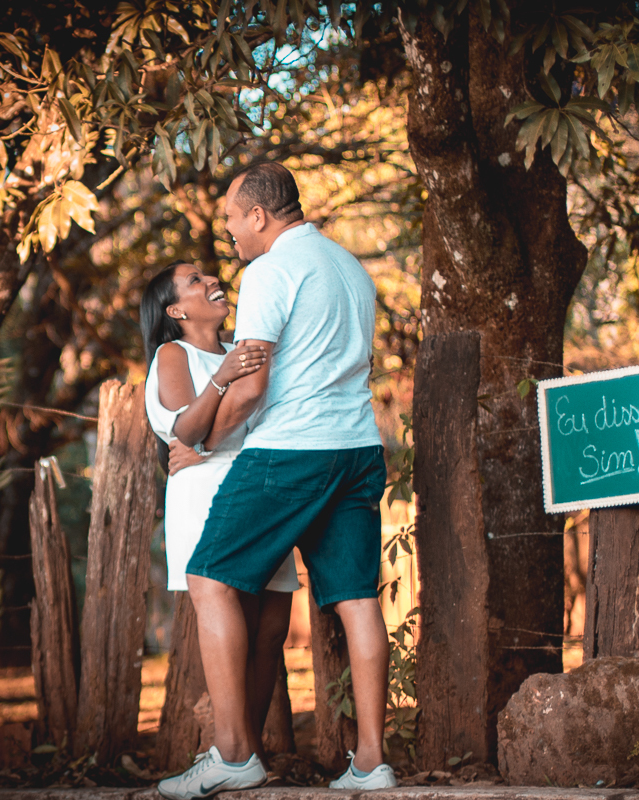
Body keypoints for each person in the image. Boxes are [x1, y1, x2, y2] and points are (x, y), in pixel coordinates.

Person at [157, 160, 397, 799]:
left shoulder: (268, 270)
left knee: (209, 576)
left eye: (233, 219)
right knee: (356, 597)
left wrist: (206, 442)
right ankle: (372, 762)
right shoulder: (350, 267)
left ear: (259, 215)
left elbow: (254, 384)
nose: (230, 233)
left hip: (292, 450)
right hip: (358, 448)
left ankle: (234, 754)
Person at [139, 262, 298, 795]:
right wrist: (223, 375)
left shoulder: (243, 346)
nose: (210, 279)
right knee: (234, 613)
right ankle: (234, 752)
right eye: (192, 280)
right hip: (208, 491)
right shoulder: (174, 353)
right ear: (176, 311)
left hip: (263, 487)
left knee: (271, 625)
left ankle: (243, 753)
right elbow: (188, 427)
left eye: (207, 271)